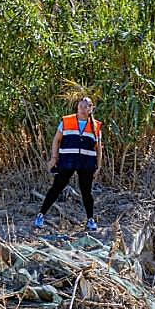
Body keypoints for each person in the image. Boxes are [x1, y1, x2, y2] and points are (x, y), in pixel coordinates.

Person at [34, 96, 103, 231]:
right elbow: (56, 140)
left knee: (86, 192)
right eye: (81, 106)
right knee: (56, 188)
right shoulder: (67, 121)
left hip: (86, 163)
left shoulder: (95, 126)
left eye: (86, 106)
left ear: (91, 109)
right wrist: (54, 158)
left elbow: (99, 148)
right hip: (67, 161)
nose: (83, 109)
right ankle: (40, 215)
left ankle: (90, 220)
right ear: (77, 107)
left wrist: (98, 166)